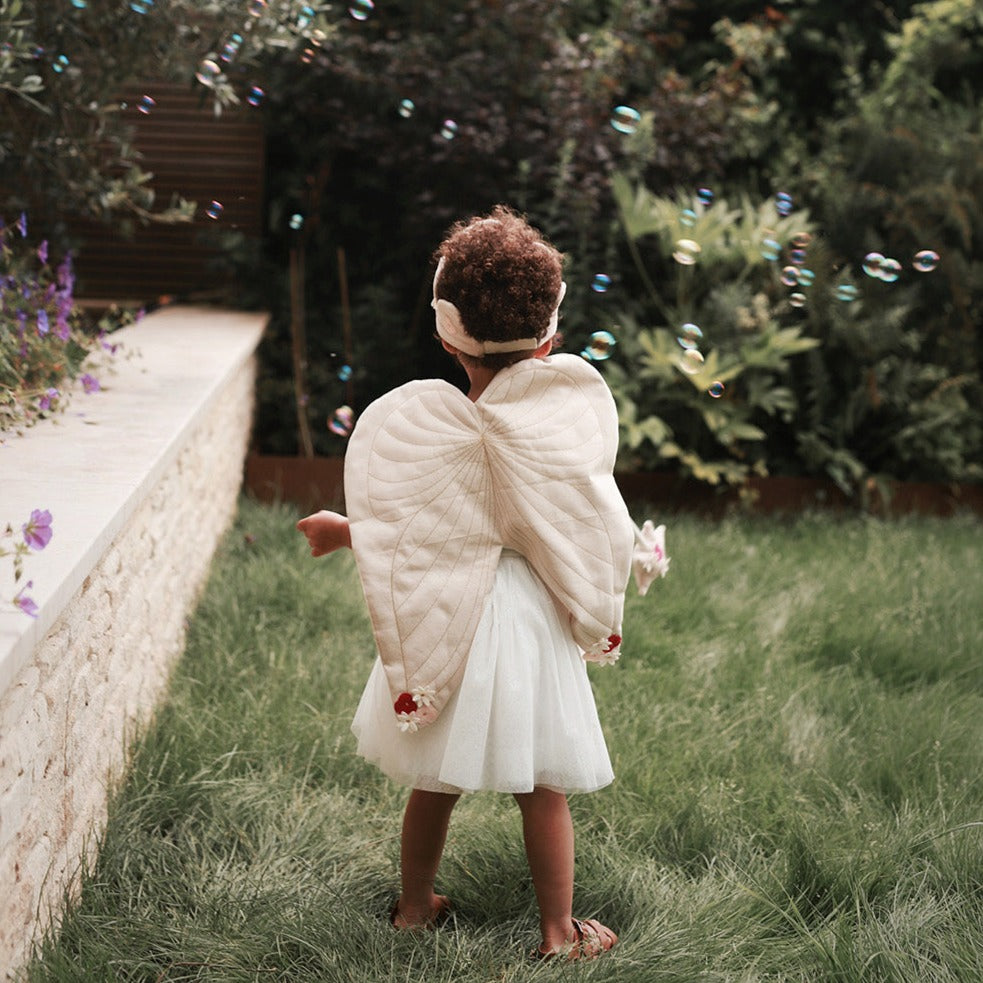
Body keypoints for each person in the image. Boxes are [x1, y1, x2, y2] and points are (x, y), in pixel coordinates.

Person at [297, 206, 637, 961]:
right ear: (550, 337)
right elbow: (585, 525)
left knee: (435, 775)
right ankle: (557, 930)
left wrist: (344, 527)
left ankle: (415, 905)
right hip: (524, 624)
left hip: (446, 617)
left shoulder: (430, 425)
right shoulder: (557, 425)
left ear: (445, 334)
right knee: (542, 787)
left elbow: (413, 530)